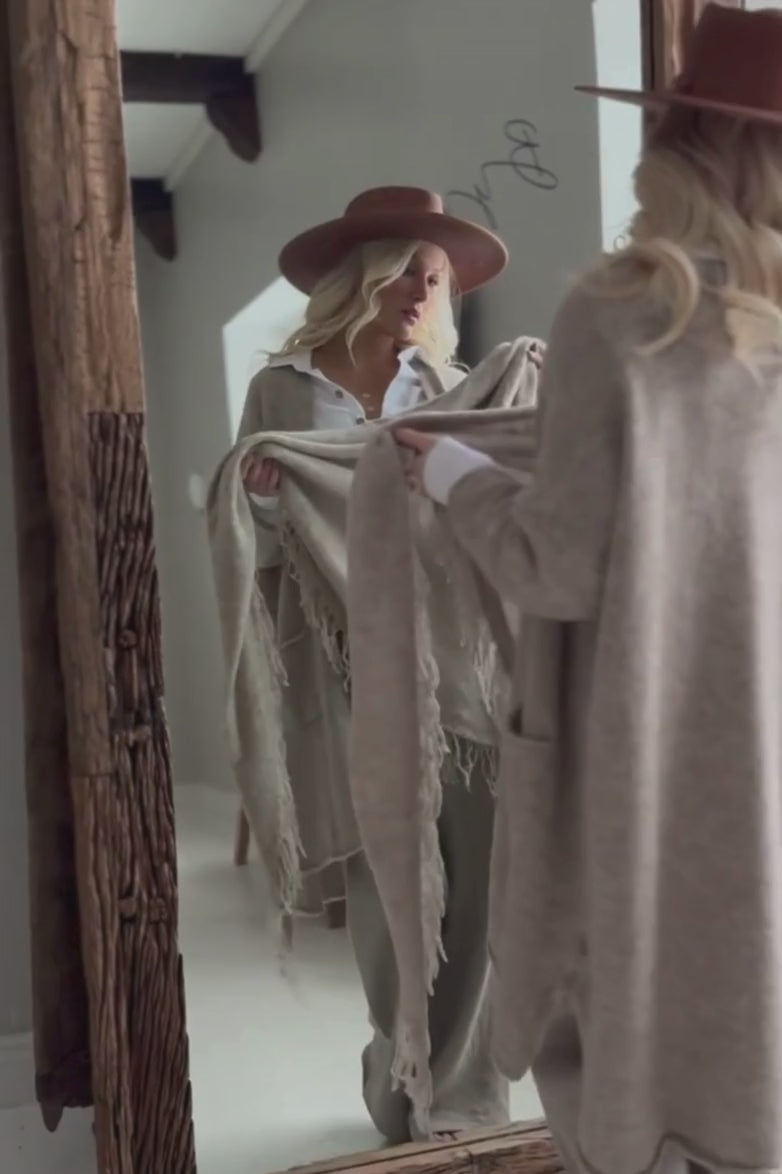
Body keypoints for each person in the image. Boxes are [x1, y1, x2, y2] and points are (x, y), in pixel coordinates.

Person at [397, 6, 782, 1174]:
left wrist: (452, 469)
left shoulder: (623, 313)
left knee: (640, 1049)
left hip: (657, 758)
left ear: (682, 141)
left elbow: (551, 566)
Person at [235, 186, 511, 1141]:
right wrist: (266, 498)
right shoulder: (281, 392)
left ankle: (467, 1098)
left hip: (457, 663)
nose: (422, 294)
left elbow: (487, 517)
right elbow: (255, 540)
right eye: (406, 273)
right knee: (393, 887)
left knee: (477, 878)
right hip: (342, 658)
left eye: (435, 280)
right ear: (361, 277)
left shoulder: (454, 389)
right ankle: (402, 1076)